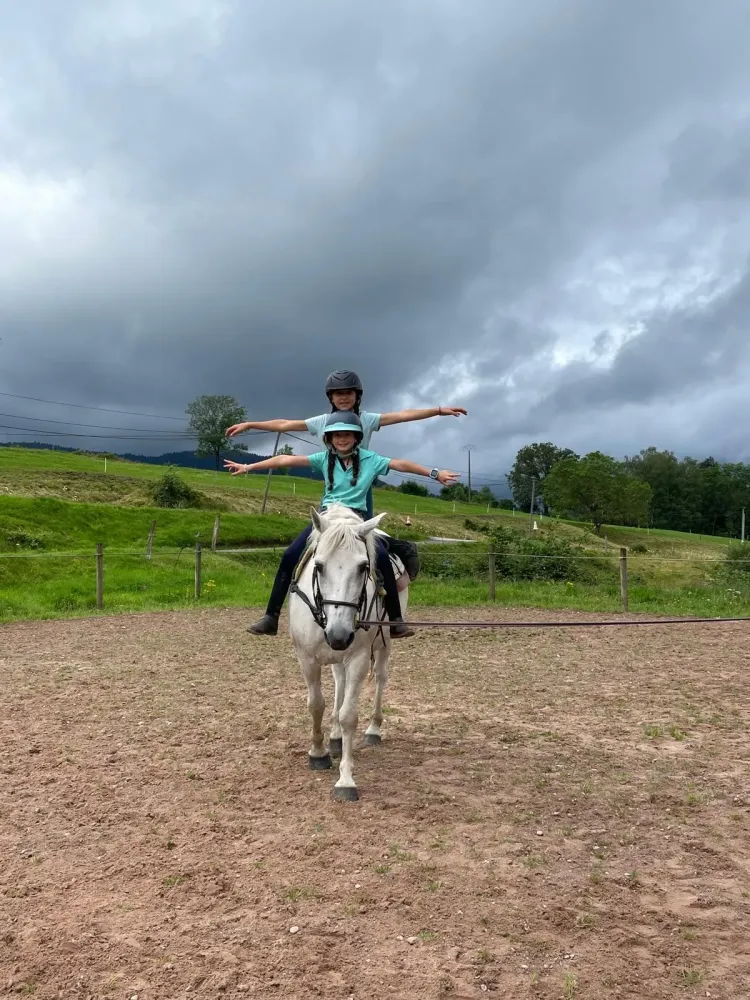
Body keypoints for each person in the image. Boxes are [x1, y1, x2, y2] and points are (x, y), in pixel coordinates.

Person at [226, 370, 467, 635]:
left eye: (348, 393)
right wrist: (249, 457)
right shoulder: (323, 447)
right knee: (289, 555)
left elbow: (402, 425)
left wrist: (435, 460)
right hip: (329, 513)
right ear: (329, 434)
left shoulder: (369, 446)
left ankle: (396, 619)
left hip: (358, 510)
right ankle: (271, 616)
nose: (343, 398)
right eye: (338, 394)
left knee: (380, 556)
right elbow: (285, 446)